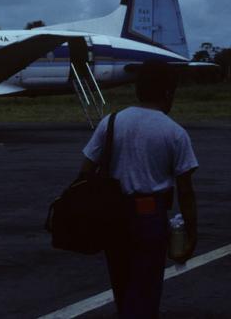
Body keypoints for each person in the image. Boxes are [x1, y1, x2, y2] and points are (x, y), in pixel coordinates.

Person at [79, 60, 198, 318]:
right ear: (169, 93)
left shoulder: (110, 123)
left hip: (114, 218)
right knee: (146, 287)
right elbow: (185, 190)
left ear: (137, 90)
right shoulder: (175, 133)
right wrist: (191, 232)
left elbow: (85, 170)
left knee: (122, 284)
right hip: (150, 217)